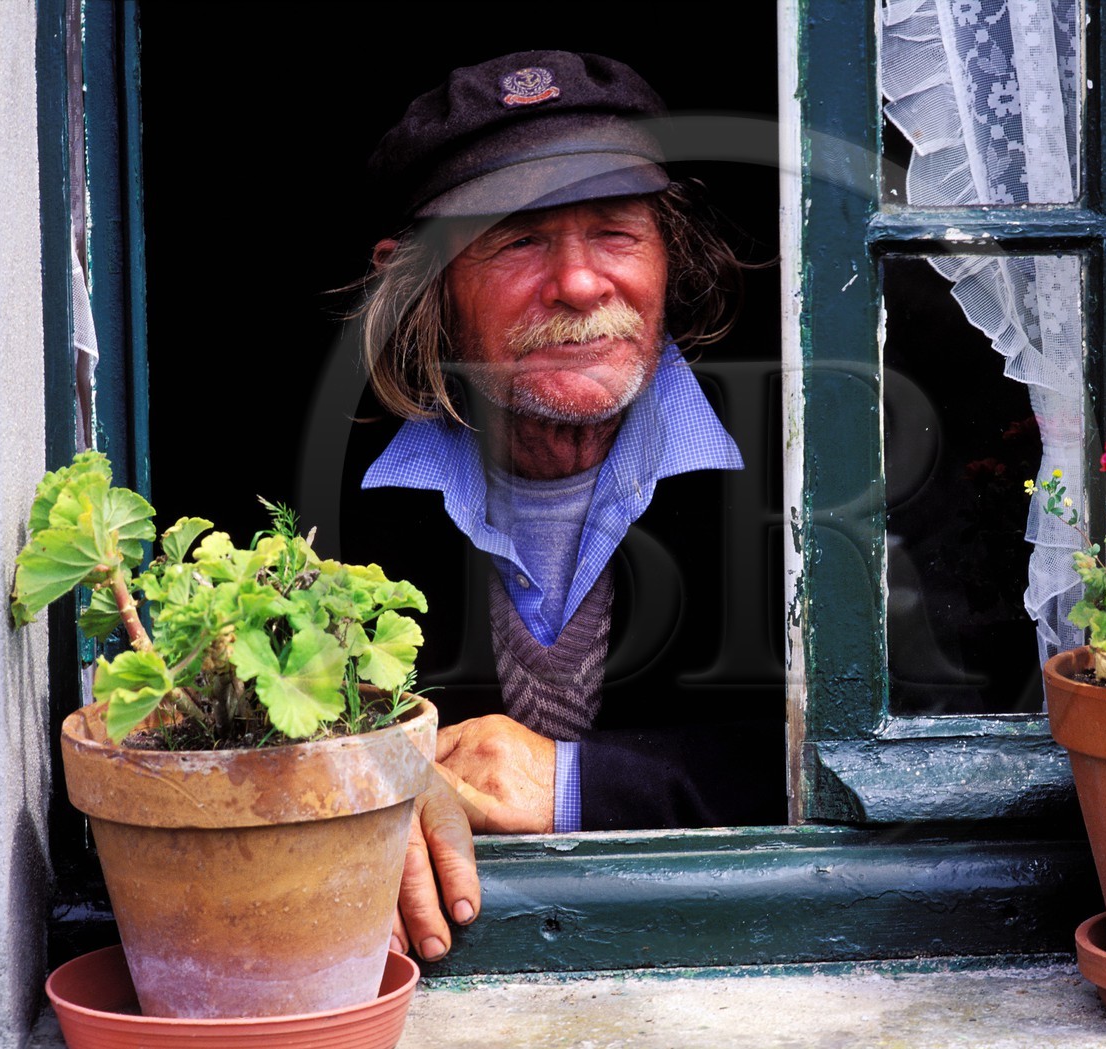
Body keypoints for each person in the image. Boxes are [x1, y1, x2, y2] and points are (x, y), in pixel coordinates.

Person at [338, 50, 785, 962]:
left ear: (670, 255)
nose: (580, 284)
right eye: (519, 238)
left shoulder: (806, 467)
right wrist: (366, 793)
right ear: (420, 283)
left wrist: (575, 783)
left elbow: (893, 757)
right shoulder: (335, 506)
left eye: (617, 232)